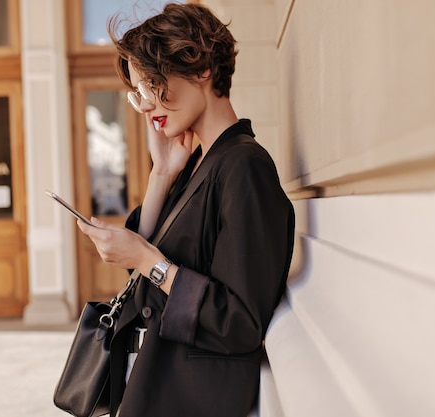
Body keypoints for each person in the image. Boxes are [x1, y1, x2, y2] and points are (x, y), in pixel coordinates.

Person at [77, 3, 295, 417]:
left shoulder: (244, 167)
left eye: (153, 84)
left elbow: (238, 322)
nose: (143, 105)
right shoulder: (200, 163)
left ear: (201, 70)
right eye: (138, 92)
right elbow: (150, 276)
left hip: (191, 398)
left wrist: (147, 260)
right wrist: (160, 174)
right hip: (156, 389)